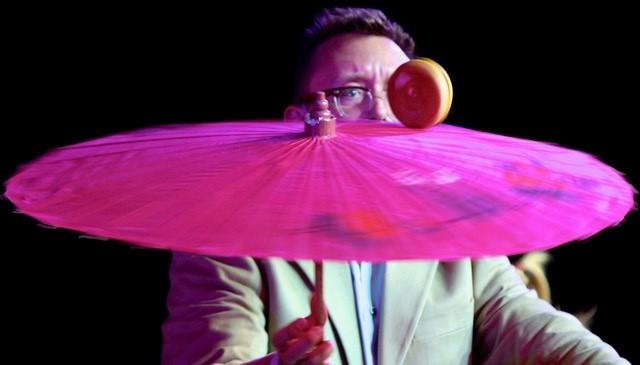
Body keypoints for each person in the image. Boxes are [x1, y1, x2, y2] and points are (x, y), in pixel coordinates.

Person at [161, 7, 629, 364]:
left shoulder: (453, 225)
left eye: (400, 93)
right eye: (351, 93)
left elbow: (525, 323)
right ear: (298, 120)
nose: (382, 114)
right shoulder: (225, 242)